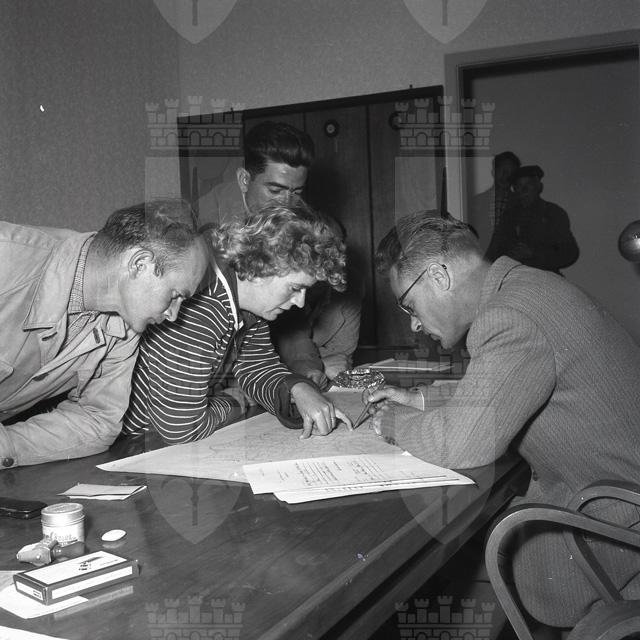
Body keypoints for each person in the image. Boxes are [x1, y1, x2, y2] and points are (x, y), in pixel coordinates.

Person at [366, 212, 640, 629]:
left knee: (456, 558)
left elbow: (461, 444)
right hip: (618, 495)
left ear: (438, 275)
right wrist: (419, 399)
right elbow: (505, 383)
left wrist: (392, 422)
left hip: (617, 525)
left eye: (408, 303)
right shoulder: (528, 287)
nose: (414, 323)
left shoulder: (509, 315)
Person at [0, 199, 208, 469]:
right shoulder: (7, 258)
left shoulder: (124, 327)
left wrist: (7, 444)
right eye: (175, 295)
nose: (173, 315)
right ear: (139, 264)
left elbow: (97, 421)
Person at [123, 204, 353, 444]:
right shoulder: (202, 308)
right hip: (135, 438)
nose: (300, 302)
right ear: (260, 268)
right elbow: (181, 428)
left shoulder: (250, 307)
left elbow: (257, 367)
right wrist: (237, 400)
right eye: (295, 288)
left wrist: (297, 388)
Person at [270, 213, 363, 389]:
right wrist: (318, 365)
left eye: (336, 248)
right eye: (319, 247)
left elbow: (341, 360)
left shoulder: (351, 284)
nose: (328, 257)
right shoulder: (277, 286)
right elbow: (260, 359)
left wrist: (316, 367)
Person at [198, 120, 315, 227]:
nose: (287, 207)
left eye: (297, 192)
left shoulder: (302, 219)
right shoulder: (204, 220)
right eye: (275, 190)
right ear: (244, 180)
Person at [485, 164, 579, 273]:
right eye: (519, 186)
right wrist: (508, 256)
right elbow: (493, 251)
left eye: (528, 184)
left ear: (539, 187)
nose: (524, 190)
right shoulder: (507, 216)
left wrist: (534, 253)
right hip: (513, 277)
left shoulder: (552, 213)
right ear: (514, 189)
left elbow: (569, 253)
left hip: (545, 276)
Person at [469, 150, 520, 251]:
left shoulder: (519, 202)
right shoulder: (476, 201)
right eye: (503, 171)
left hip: (510, 257)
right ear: (494, 171)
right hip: (482, 255)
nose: (506, 176)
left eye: (511, 173)